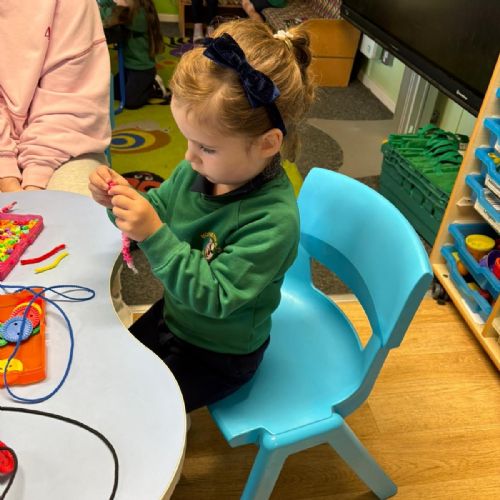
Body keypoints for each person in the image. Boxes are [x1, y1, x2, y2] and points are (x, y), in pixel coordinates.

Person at [88, 18, 316, 413]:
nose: (189, 157)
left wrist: (153, 234)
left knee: (137, 410)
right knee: (109, 370)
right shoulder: (202, 171)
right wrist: (121, 204)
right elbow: (158, 210)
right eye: (188, 141)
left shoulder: (273, 220)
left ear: (267, 144)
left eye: (206, 148)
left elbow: (215, 297)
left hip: (221, 354)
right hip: (175, 318)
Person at [0, 0, 111, 194]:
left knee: (75, 207)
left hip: (63, 144)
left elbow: (70, 103)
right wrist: (6, 173)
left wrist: (34, 186)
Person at [100, 0, 169, 109]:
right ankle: (139, 86)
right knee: (112, 91)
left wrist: (100, 6)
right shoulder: (132, 8)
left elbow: (110, 16)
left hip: (142, 69)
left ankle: (153, 85)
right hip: (128, 67)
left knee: (131, 102)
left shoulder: (138, 15)